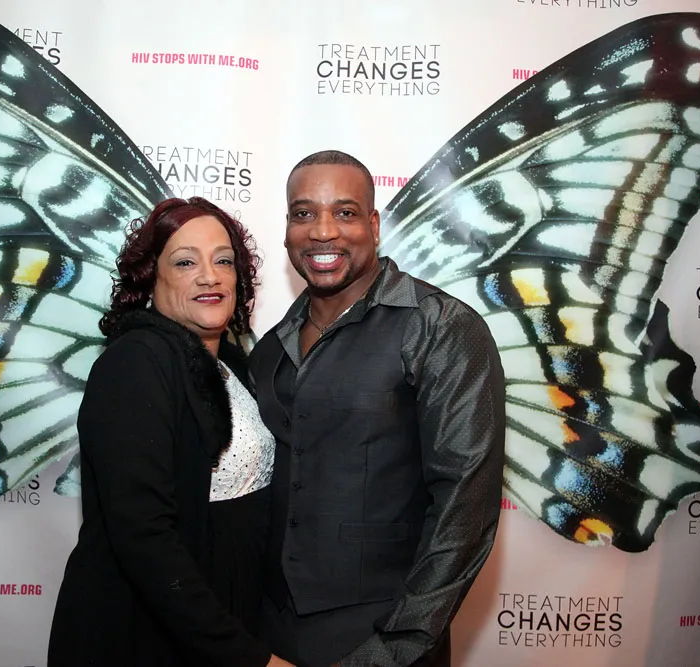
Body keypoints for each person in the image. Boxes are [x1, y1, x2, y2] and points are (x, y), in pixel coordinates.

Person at [250, 151, 506, 667]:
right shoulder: (271, 345)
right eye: (304, 213)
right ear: (287, 229)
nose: (323, 231)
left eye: (344, 212)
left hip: (382, 637)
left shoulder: (439, 327)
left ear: (373, 224)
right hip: (271, 634)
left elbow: (465, 510)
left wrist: (392, 649)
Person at [48, 197, 294, 667]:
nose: (209, 276)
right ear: (150, 279)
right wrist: (246, 657)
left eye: (223, 261)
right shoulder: (135, 363)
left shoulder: (233, 367)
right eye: (185, 262)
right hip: (151, 632)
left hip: (226, 614)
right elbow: (143, 536)